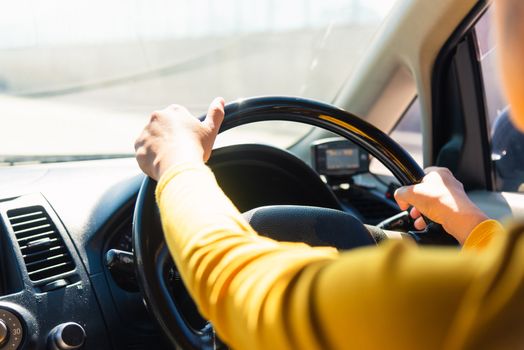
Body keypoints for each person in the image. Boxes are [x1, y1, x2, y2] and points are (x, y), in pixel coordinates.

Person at [134, 0, 524, 348]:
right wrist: (472, 225)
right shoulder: (499, 296)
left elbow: (245, 293)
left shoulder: (463, 307)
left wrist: (178, 163)